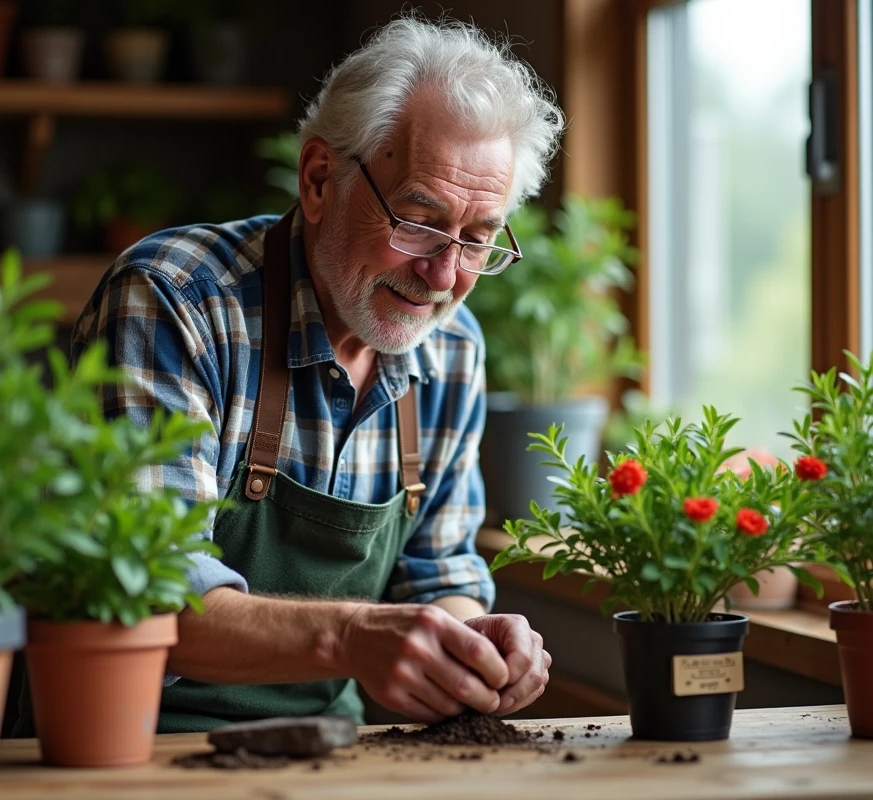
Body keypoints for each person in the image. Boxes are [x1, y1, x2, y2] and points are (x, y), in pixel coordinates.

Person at [71, 16, 566, 732]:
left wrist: (476, 643)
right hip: (131, 748)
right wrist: (352, 638)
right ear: (319, 181)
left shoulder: (453, 350)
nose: (444, 274)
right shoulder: (175, 300)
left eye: (479, 239)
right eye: (420, 223)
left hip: (325, 751)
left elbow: (437, 572)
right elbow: (146, 596)